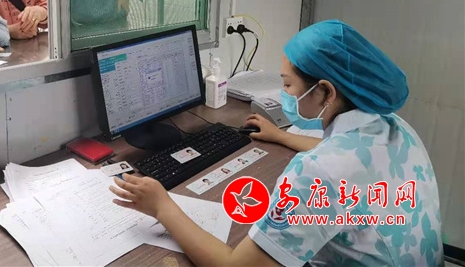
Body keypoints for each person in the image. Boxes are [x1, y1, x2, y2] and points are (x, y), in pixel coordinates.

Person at [110, 20, 443, 266]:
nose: (284, 94)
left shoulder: (318, 173)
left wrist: (163, 207)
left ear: (326, 92)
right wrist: (281, 136)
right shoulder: (394, 127)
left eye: (287, 85)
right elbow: (350, 162)